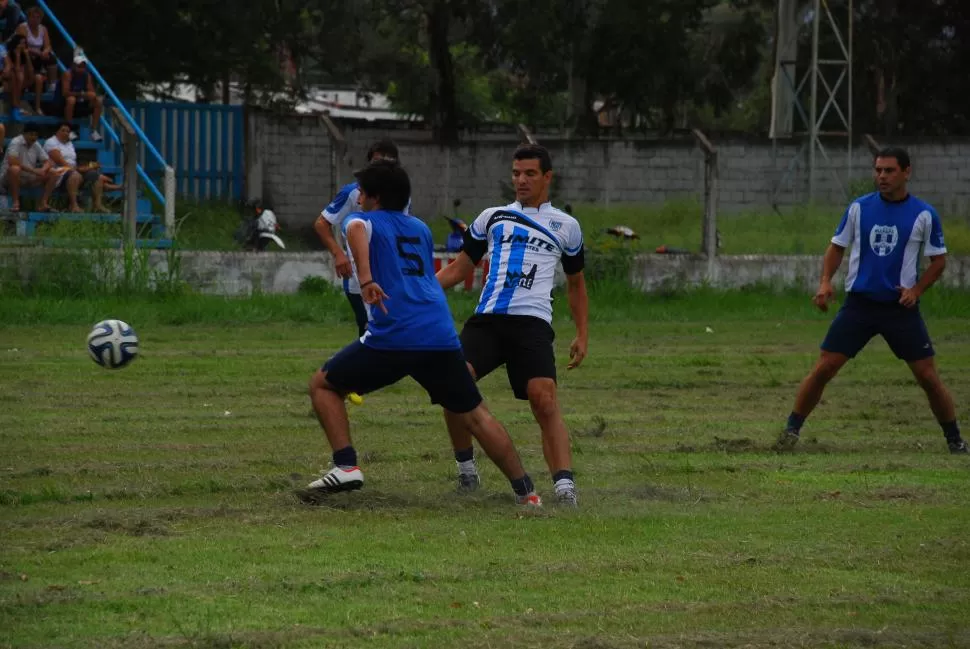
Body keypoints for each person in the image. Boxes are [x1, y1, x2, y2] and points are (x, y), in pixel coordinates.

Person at [302, 160, 542, 507]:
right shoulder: (420, 229)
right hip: (439, 333)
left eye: (363, 192)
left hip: (395, 334)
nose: (360, 197)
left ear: (373, 196)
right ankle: (527, 492)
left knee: (323, 385)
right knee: (476, 414)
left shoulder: (361, 220)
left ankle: (346, 465)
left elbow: (355, 230)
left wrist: (367, 280)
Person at [775, 147, 967, 455]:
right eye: (878, 170)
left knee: (928, 377)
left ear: (906, 172)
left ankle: (955, 440)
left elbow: (939, 261)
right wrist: (825, 282)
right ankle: (790, 432)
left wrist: (915, 291)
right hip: (860, 306)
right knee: (825, 368)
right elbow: (837, 247)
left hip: (899, 309)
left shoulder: (924, 214)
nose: (882, 176)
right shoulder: (858, 209)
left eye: (889, 171)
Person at [435, 144, 589, 506]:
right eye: (516, 173)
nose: (520, 180)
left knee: (544, 398)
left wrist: (582, 333)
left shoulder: (567, 226)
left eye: (530, 173)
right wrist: (417, 288)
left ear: (547, 177)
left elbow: (577, 284)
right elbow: (460, 268)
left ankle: (565, 487)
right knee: (454, 382)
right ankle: (466, 471)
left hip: (532, 325)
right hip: (487, 321)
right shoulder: (492, 216)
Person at [314, 139, 402, 336]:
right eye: (377, 162)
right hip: (358, 276)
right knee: (368, 328)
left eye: (389, 163)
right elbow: (321, 223)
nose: (382, 168)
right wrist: (338, 253)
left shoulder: (401, 196)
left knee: (391, 328)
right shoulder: (353, 192)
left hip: (390, 273)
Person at [44, 121, 108, 213]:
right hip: (58, 171)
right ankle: (74, 205)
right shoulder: (51, 142)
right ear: (56, 132)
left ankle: (98, 205)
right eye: (63, 130)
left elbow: (73, 162)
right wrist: (81, 169)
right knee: (75, 175)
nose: (66, 133)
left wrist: (88, 167)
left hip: (72, 169)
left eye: (68, 131)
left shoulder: (69, 144)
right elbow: (62, 162)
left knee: (95, 175)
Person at [0, 121, 58, 212]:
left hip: (27, 178)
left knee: (53, 173)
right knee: (14, 169)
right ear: (24, 134)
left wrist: (43, 169)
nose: (33, 137)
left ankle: (43, 203)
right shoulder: (16, 141)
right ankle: (16, 202)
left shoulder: (36, 144)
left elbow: (48, 161)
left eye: (35, 135)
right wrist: (34, 171)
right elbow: (12, 161)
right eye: (31, 134)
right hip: (9, 178)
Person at [53, 50, 103, 141]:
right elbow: (65, 93)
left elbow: (91, 91)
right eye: (79, 66)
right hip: (63, 104)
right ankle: (69, 129)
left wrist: (90, 95)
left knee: (98, 101)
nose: (81, 69)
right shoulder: (67, 74)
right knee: (71, 99)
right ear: (73, 65)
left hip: (80, 103)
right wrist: (82, 94)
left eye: (83, 66)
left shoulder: (86, 75)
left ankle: (93, 131)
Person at [16, 7, 57, 114]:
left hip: (38, 56)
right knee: (33, 72)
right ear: (28, 18)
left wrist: (45, 52)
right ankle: (19, 102)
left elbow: (48, 45)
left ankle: (52, 84)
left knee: (51, 57)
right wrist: (38, 52)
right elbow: (22, 46)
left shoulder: (43, 29)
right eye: (33, 17)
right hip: (25, 55)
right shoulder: (23, 28)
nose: (35, 19)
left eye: (38, 17)